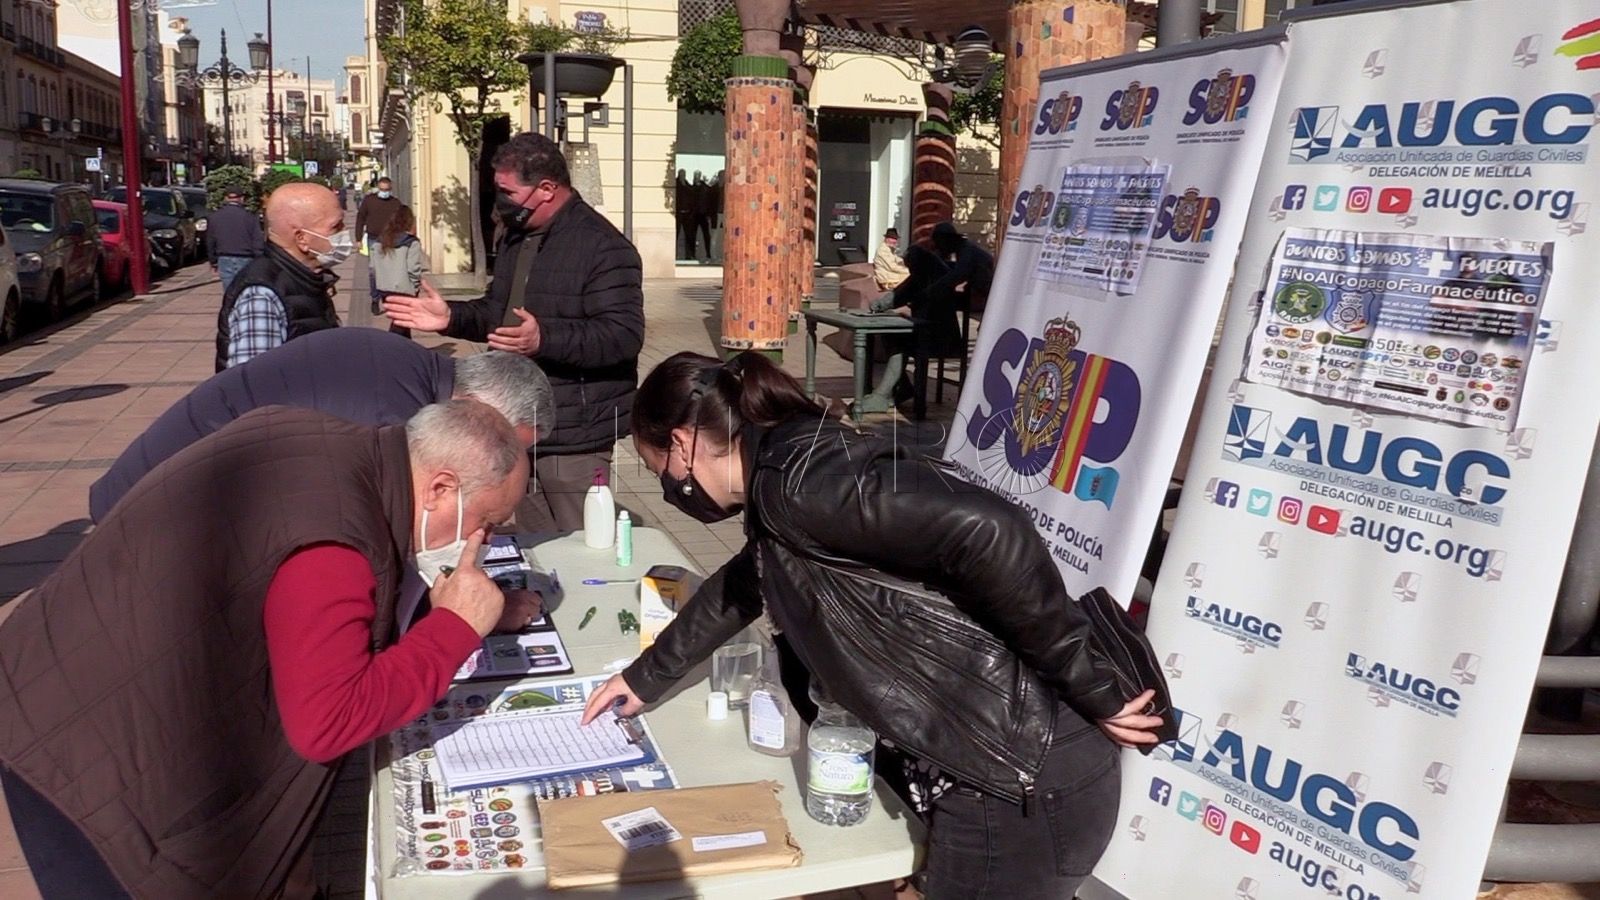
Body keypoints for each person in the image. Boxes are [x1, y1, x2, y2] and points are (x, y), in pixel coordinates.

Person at [581, 351, 1163, 900]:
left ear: (682, 444)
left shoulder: (795, 482)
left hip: (1016, 783)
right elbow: (746, 580)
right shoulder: (783, 471)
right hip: (998, 768)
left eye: (662, 472)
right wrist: (645, 677)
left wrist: (1089, 683)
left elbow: (991, 528)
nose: (670, 489)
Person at [0, 400, 532, 899]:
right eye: (485, 522)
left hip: (62, 684)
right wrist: (454, 628)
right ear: (441, 488)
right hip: (86, 775)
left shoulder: (328, 444)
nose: (479, 542)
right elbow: (328, 720)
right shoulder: (337, 541)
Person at [386, 131, 645, 532]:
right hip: (515, 423)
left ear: (546, 189)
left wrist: (545, 339)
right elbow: (497, 312)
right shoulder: (517, 238)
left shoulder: (604, 247)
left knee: (583, 544)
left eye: (508, 191)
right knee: (535, 545)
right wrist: (449, 317)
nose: (501, 201)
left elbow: (622, 336)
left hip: (573, 432)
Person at [89, 327, 554, 522]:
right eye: (506, 446)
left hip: (179, 492)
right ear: (475, 403)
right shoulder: (388, 419)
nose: (502, 464)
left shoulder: (408, 367)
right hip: (158, 510)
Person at [215, 182, 346, 372]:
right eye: (336, 226)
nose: (344, 232)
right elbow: (254, 385)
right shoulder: (262, 295)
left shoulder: (306, 278)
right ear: (301, 238)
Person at [371, 203, 427, 337]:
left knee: (402, 323)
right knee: (400, 324)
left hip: (384, 288)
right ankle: (391, 350)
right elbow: (413, 268)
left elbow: (373, 268)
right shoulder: (411, 242)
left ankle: (406, 352)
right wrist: (415, 286)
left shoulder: (380, 241)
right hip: (404, 289)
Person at [356, 177, 403, 312]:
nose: (384, 192)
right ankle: (375, 299)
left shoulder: (395, 203)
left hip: (391, 240)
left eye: (387, 190)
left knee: (389, 270)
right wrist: (358, 238)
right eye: (382, 189)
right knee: (374, 271)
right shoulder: (369, 201)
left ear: (391, 189)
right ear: (377, 188)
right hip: (373, 239)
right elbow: (360, 218)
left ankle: (387, 298)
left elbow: (401, 221)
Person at [205, 186, 264, 292]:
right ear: (241, 198)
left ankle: (230, 308)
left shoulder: (214, 217)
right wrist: (259, 258)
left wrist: (213, 261)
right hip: (246, 258)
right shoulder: (250, 217)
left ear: (226, 198)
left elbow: (210, 240)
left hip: (224, 257)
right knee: (244, 290)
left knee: (229, 291)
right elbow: (257, 240)